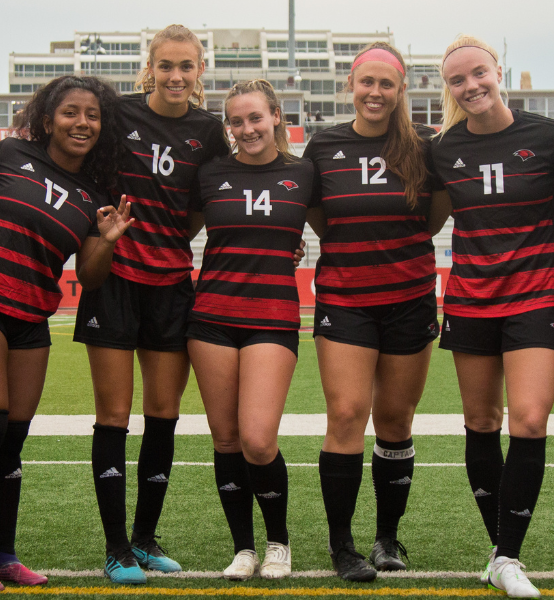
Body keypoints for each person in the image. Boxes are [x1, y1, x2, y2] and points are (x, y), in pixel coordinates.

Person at [0, 74, 132, 592]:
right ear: (48, 119)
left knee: (12, 441)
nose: (81, 123)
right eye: (71, 112)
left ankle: (2, 555)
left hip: (30, 317)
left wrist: (107, 240)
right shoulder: (6, 155)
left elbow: (89, 275)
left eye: (92, 115)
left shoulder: (94, 194)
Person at [72, 24, 229, 584]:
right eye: (166, 66)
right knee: (113, 416)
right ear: (150, 67)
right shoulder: (117, 114)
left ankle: (144, 538)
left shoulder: (210, 131)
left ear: (200, 70)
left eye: (186, 66)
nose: (176, 76)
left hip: (171, 284)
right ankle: (116, 548)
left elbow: (199, 207)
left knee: (163, 415)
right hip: (114, 279)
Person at [426, 34, 554, 599]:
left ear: (498, 72)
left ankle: (508, 555)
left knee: (530, 420)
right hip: (470, 296)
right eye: (458, 80)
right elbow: (429, 219)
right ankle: (500, 546)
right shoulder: (442, 149)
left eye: (479, 74)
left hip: (537, 293)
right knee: (482, 421)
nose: (471, 86)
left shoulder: (548, 136)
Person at [304, 42, 440, 582]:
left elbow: (432, 220)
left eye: (387, 84)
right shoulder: (324, 144)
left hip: (409, 297)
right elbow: (319, 218)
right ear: (351, 86)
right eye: (367, 83)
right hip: (345, 297)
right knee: (346, 414)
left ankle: (387, 538)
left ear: (401, 89)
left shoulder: (424, 147)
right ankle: (343, 547)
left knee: (395, 422)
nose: (375, 93)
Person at [190, 79, 318, 582]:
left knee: (258, 441)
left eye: (256, 119)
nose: (246, 129)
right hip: (211, 317)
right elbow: (178, 230)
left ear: (276, 118)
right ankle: (243, 548)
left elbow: (334, 226)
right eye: (236, 122)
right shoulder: (209, 174)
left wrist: (297, 247)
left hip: (272, 316)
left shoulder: (304, 173)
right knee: (224, 440)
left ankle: (278, 543)